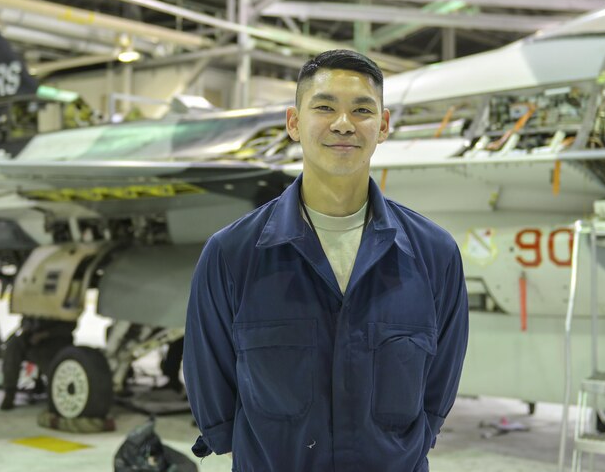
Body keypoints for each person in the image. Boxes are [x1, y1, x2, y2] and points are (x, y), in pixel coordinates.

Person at [183, 49, 469, 472]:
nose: (343, 124)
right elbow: (212, 379)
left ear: (383, 126)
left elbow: (439, 382)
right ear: (294, 123)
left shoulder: (434, 255)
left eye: (361, 110)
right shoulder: (233, 254)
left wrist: (410, 444)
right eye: (325, 107)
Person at [0, 316, 76, 410]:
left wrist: (45, 334)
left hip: (55, 340)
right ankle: (9, 391)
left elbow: (69, 326)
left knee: (44, 357)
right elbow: (26, 317)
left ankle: (58, 392)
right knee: (12, 347)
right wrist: (26, 326)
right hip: (31, 336)